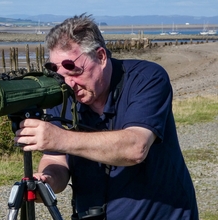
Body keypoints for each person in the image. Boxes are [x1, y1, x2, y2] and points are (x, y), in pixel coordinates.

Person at [14, 14, 198, 219]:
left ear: (101, 57)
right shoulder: (63, 96)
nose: (68, 84)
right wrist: (48, 180)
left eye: (74, 71)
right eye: (59, 75)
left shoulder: (147, 79)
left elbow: (136, 147)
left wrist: (59, 138)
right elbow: (55, 158)